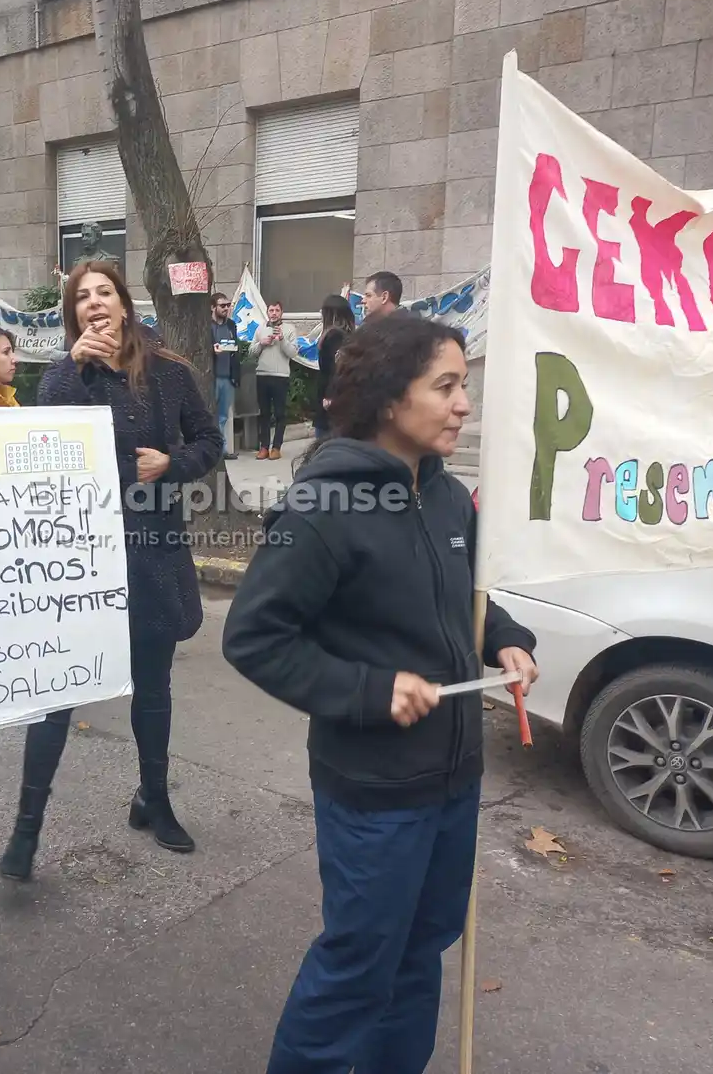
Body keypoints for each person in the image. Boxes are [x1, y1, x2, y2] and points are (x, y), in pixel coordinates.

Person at [222, 314, 538, 1074]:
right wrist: (368, 690)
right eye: (447, 386)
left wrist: (505, 635)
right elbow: (254, 637)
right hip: (375, 795)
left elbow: (463, 592)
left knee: (422, 951)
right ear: (391, 399)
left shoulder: (446, 494)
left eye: (466, 384)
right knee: (358, 969)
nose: (465, 403)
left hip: (455, 779)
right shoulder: (324, 508)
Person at [0, 261, 221, 880]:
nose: (94, 304)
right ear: (74, 316)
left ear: (124, 305)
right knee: (58, 696)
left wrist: (169, 465)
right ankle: (25, 832)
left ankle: (155, 800)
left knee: (153, 688)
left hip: (150, 548)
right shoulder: (63, 376)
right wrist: (72, 367)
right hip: (80, 559)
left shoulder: (170, 374)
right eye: (82, 298)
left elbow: (208, 441)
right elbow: (43, 445)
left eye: (104, 293)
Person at [253, 299, 298, 460]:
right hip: (262, 375)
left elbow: (293, 353)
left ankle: (276, 447)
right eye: (271, 310)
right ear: (267, 312)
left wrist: (282, 340)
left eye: (277, 310)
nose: (274, 313)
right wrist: (261, 343)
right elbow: (252, 351)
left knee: (280, 413)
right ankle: (264, 447)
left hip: (281, 377)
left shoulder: (289, 329)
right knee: (264, 413)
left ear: (281, 313)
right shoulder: (260, 328)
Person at [313, 293, 356, 439]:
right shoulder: (348, 335)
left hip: (331, 398)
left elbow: (336, 368)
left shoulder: (334, 337)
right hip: (340, 396)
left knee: (324, 441)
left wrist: (330, 395)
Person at [210, 291, 240, 460]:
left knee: (223, 416)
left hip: (228, 377)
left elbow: (236, 350)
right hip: (213, 376)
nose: (226, 308)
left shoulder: (231, 325)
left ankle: (222, 450)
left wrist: (236, 375)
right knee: (211, 415)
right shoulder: (207, 326)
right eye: (222, 305)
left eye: (228, 305)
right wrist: (211, 351)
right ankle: (214, 450)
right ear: (213, 307)